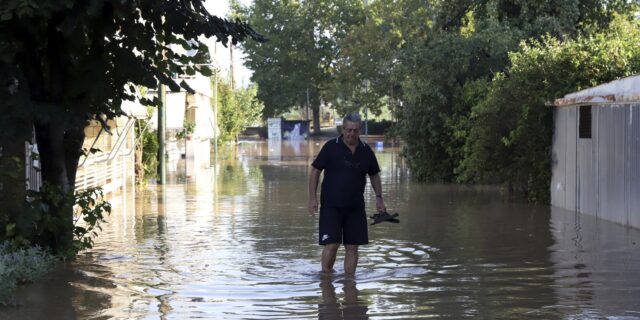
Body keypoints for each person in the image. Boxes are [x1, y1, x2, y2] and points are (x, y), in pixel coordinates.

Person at [308, 113, 386, 275]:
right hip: (331, 206)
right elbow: (315, 171)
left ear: (360, 131)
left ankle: (349, 282)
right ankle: (326, 279)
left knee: (352, 247)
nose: (352, 134)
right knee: (332, 244)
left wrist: (379, 198)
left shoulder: (366, 151)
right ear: (343, 129)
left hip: (356, 207)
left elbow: (374, 175)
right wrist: (312, 198)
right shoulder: (330, 147)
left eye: (355, 130)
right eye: (349, 130)